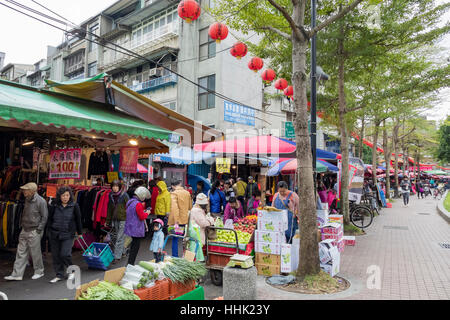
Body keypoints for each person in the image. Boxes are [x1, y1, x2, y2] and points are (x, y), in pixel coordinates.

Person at [5, 183, 48, 281]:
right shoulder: (27, 199)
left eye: (26, 190)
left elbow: (44, 217)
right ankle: (17, 274)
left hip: (34, 230)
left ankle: (39, 271)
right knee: (20, 252)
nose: (24, 191)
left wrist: (39, 230)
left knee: (35, 253)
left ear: (32, 191)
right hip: (25, 229)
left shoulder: (41, 201)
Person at [46, 186, 83, 283]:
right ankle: (59, 275)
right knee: (56, 255)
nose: (65, 197)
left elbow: (78, 220)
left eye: (67, 195)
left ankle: (72, 271)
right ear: (59, 196)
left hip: (68, 234)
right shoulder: (54, 205)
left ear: (70, 196)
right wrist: (48, 231)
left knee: (65, 254)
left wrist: (80, 233)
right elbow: (49, 219)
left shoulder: (75, 206)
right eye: (63, 195)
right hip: (55, 233)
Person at [124, 186, 150, 265]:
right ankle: (130, 264)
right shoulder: (138, 204)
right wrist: (147, 213)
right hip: (136, 228)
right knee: (135, 247)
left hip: (130, 226)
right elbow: (142, 217)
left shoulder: (130, 201)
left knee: (132, 246)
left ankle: (130, 263)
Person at [106, 180, 130, 263]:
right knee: (116, 237)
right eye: (113, 186)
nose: (115, 188)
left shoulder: (124, 195)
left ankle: (117, 257)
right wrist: (108, 220)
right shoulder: (111, 195)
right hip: (114, 219)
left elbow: (129, 207)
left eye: (116, 186)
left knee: (119, 237)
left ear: (119, 187)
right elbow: (109, 209)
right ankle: (123, 251)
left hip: (123, 219)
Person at [169, 180, 192, 257]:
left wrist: (176, 221)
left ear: (173, 186)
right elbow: (189, 207)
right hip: (185, 221)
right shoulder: (187, 193)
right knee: (184, 240)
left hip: (177, 221)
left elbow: (175, 209)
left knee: (175, 240)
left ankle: (175, 257)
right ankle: (185, 256)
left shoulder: (174, 194)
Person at [189, 193, 215, 261]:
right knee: (196, 252)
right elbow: (203, 223)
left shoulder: (196, 209)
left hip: (196, 233)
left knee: (195, 251)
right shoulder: (197, 211)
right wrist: (211, 221)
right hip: (197, 234)